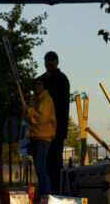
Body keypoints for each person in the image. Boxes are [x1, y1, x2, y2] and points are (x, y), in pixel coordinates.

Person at [35, 51, 70, 194]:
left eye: (52, 60)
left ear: (57, 62)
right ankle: (45, 193)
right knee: (41, 164)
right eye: (47, 60)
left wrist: (60, 130)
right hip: (40, 130)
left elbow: (63, 107)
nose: (49, 62)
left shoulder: (62, 79)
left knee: (55, 163)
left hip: (56, 129)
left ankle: (56, 192)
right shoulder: (40, 80)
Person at [24, 78, 56, 202]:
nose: (37, 86)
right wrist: (27, 110)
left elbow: (41, 118)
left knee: (41, 166)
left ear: (44, 86)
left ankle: (46, 194)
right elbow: (29, 119)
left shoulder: (46, 100)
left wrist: (30, 110)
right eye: (36, 84)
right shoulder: (35, 100)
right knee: (38, 167)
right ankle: (43, 193)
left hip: (44, 137)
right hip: (35, 137)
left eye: (40, 84)